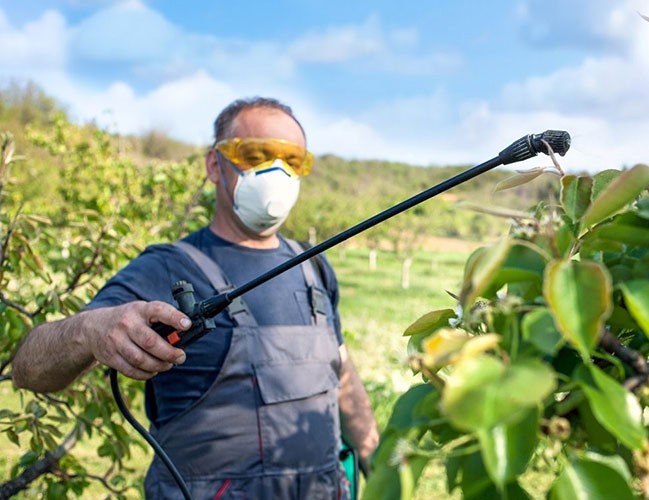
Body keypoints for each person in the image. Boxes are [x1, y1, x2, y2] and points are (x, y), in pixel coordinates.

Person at [12, 97, 379, 499]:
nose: (277, 171)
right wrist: (89, 330)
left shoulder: (313, 267)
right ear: (214, 165)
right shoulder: (168, 267)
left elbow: (340, 370)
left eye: (292, 160)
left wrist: (374, 457)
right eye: (255, 154)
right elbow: (28, 369)